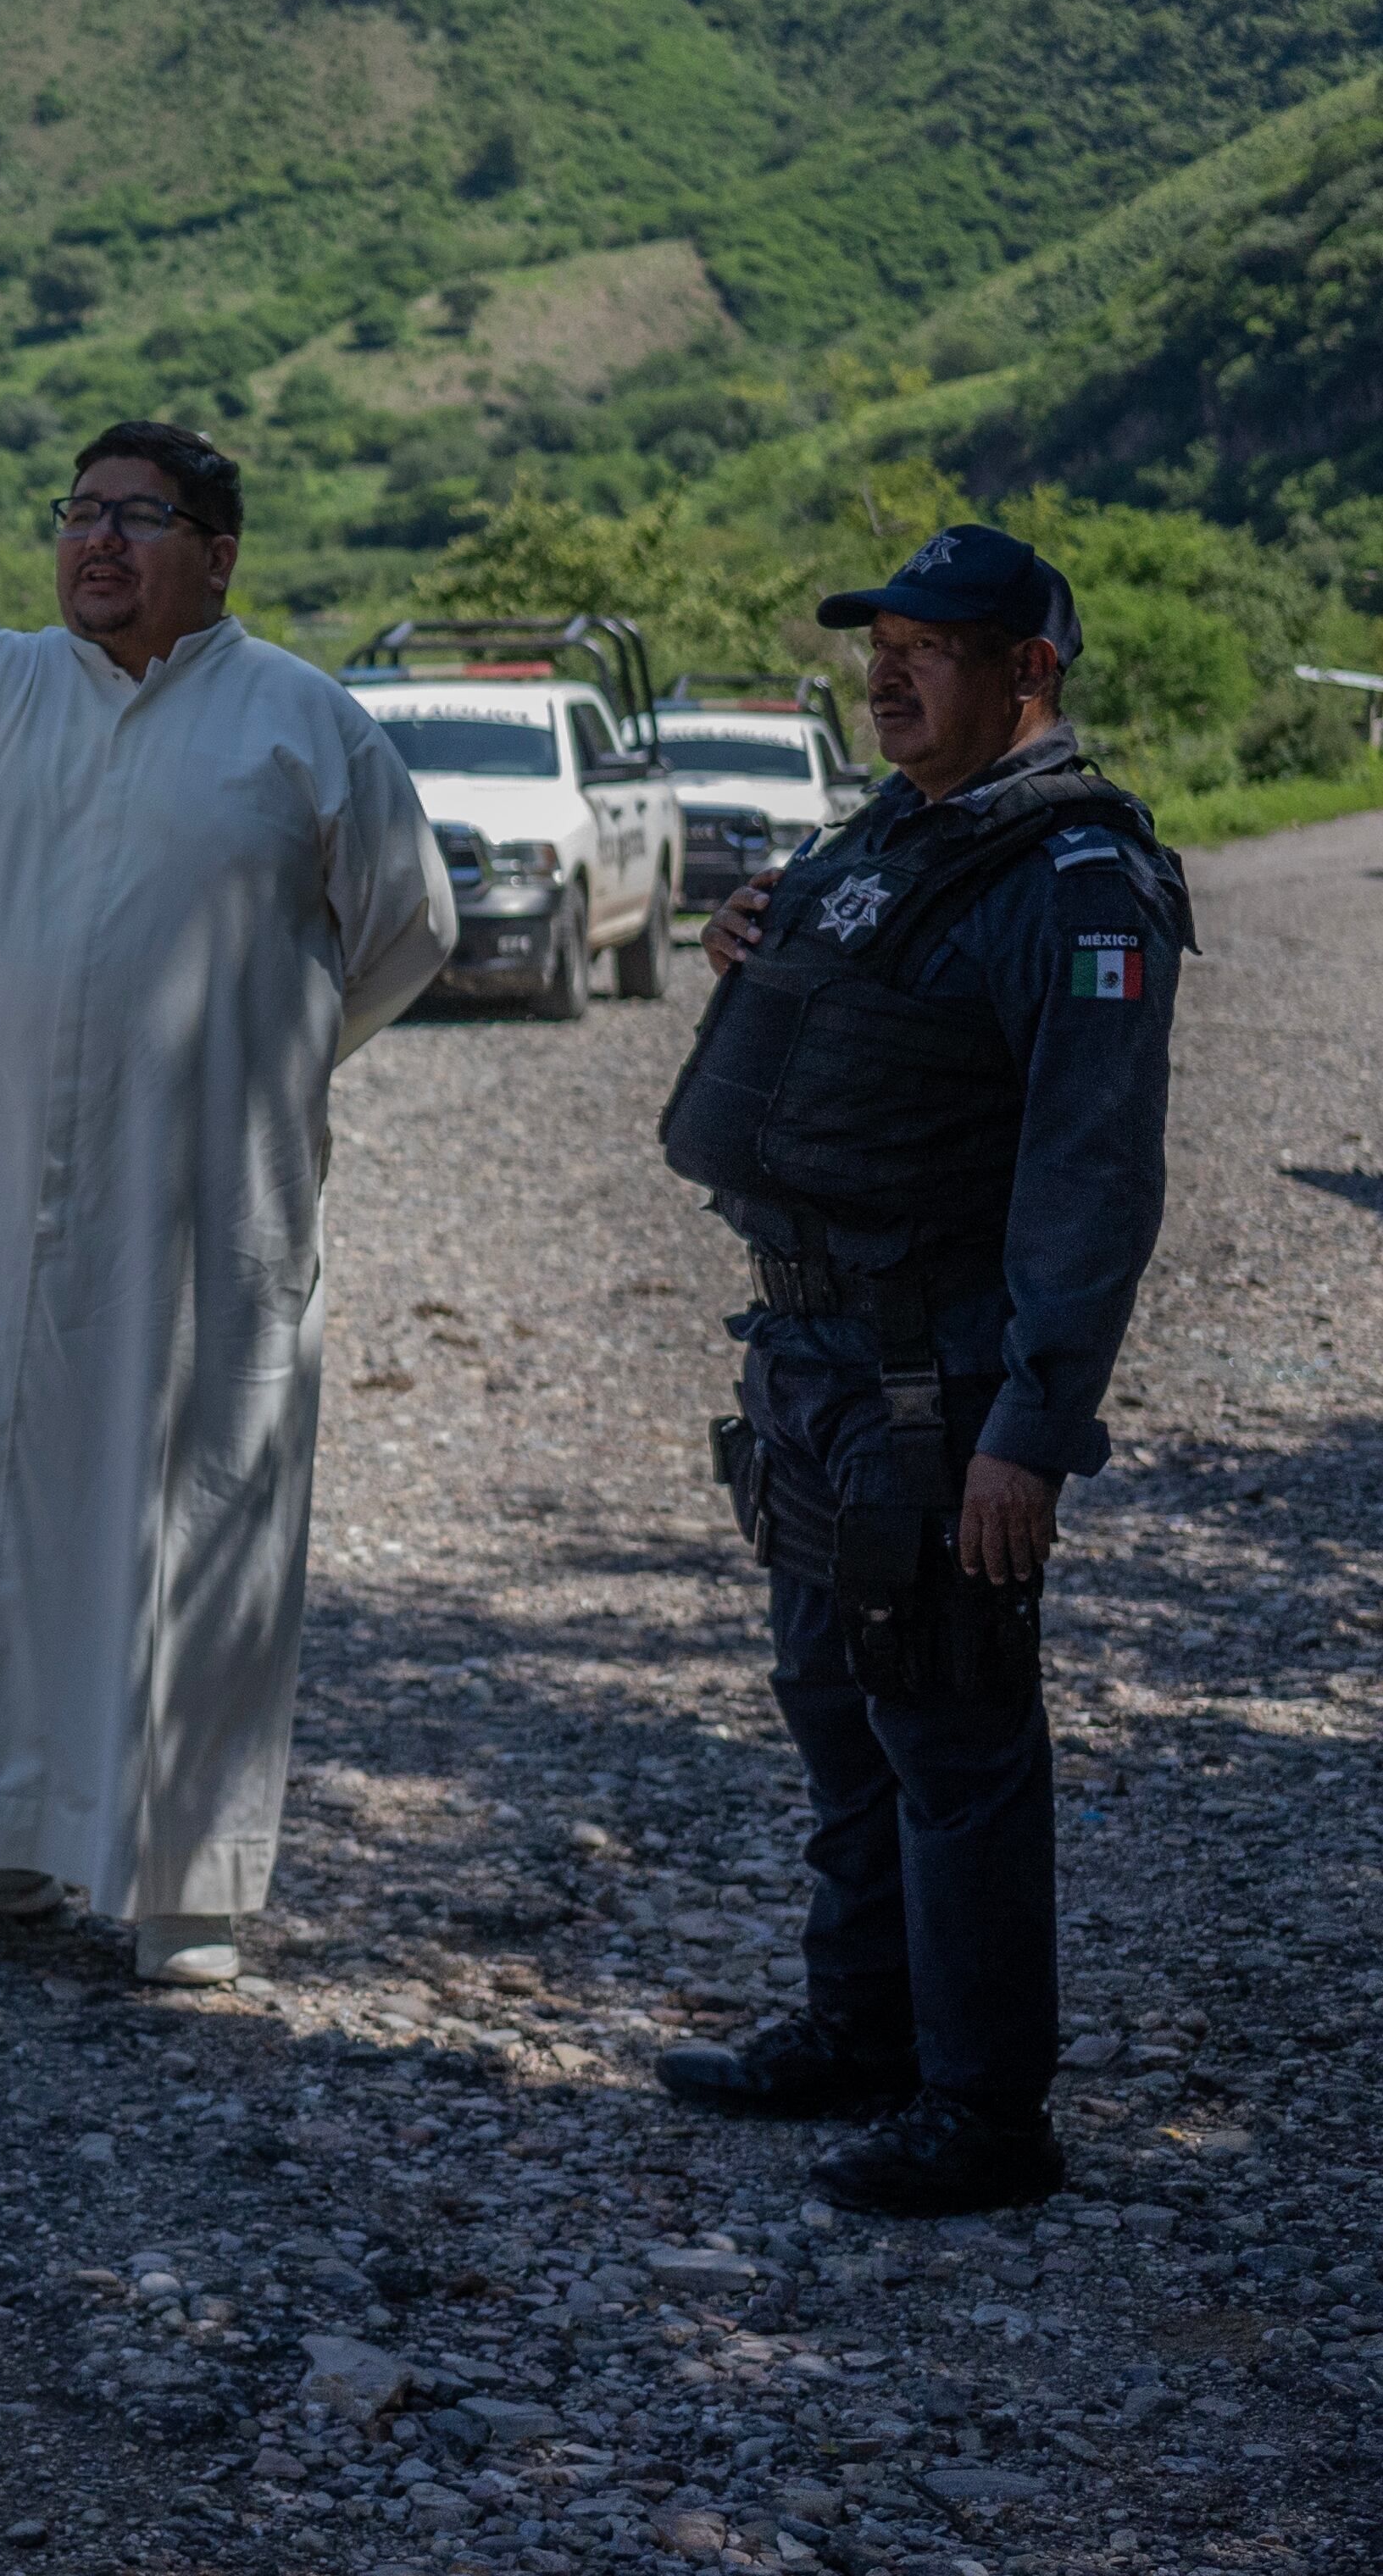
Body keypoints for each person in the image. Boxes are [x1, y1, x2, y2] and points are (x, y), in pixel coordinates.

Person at [0, 424, 453, 1985]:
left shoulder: (301, 721)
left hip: (198, 1198)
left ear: (217, 552)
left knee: (194, 1498)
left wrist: (256, 1052)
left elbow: (407, 929)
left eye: (137, 518)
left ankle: (187, 1884)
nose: (97, 541)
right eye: (79, 513)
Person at [654, 525, 1187, 2216]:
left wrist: (1030, 1433)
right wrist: (757, 944)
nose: (886, 671)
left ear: (1029, 670)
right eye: (876, 640)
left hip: (931, 1386)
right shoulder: (896, 833)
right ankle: (863, 2029)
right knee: (840, 1711)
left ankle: (984, 2111)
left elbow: (1092, 1181)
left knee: (951, 1737)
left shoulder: (1075, 882)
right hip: (813, 1366)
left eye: (930, 647)